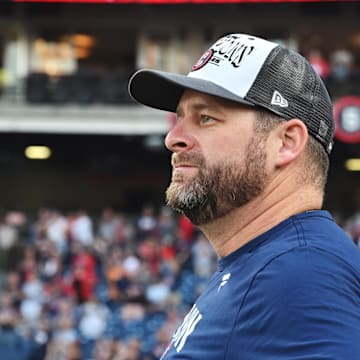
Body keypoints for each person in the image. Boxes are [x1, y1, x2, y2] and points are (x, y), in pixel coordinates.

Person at [128, 33, 360, 359]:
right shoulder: (269, 263)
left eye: (205, 118)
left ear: (286, 142)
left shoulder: (300, 275)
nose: (172, 138)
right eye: (180, 118)